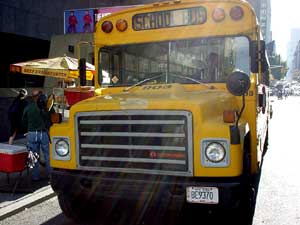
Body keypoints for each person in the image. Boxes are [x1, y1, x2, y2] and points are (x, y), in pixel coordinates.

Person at [22, 90, 52, 181]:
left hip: (31, 133)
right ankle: (50, 175)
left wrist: (28, 128)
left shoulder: (28, 107)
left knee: (34, 156)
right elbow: (52, 118)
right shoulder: (47, 107)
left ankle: (35, 177)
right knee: (47, 155)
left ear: (33, 97)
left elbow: (23, 121)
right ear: (40, 96)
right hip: (44, 133)